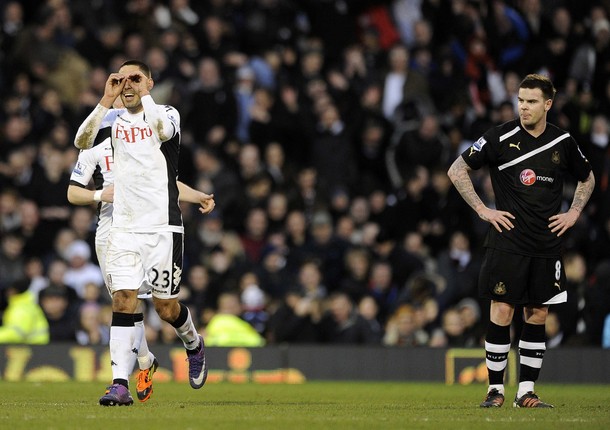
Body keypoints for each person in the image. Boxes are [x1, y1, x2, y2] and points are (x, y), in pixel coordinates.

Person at [448, 74, 595, 409]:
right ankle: (495, 390)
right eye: (521, 100)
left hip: (547, 244)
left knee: (538, 314)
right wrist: (484, 210)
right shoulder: (500, 136)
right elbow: (457, 170)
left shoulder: (563, 142)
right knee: (501, 310)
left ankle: (526, 392)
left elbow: (588, 178)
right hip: (508, 242)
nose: (524, 107)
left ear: (547, 104)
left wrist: (573, 213)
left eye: (531, 101)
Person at [74, 60, 214, 406]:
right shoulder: (112, 120)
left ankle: (193, 343)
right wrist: (105, 101)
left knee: (166, 309)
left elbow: (162, 131)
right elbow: (81, 140)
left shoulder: (167, 113)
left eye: (136, 78)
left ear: (150, 83)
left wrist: (143, 94)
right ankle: (119, 384)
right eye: (122, 79)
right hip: (122, 226)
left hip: (161, 227)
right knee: (123, 299)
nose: (128, 85)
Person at [0, 278, 49, 344]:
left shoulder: (22, 309)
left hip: (35, 348)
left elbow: (16, 334)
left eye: (8, 290)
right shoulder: (24, 304)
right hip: (34, 347)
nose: (6, 292)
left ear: (13, 290)